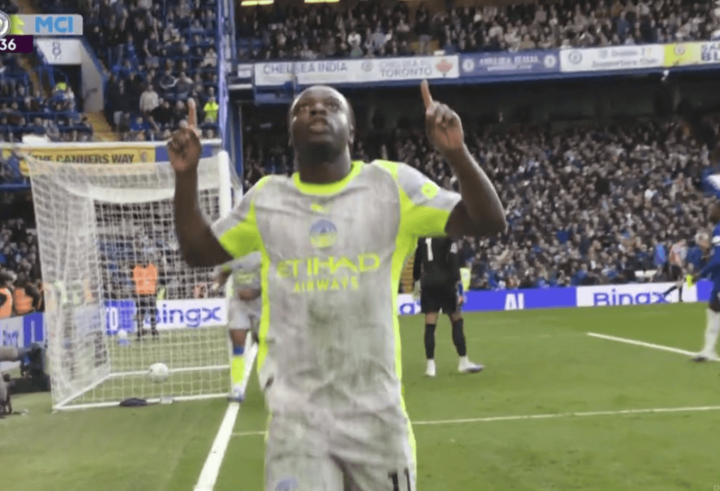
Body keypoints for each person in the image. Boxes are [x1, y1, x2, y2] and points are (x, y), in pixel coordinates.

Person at [168, 81, 505, 490]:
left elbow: (489, 221)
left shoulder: (392, 185)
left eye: (331, 105)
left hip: (377, 416)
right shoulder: (266, 198)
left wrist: (457, 153)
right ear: (290, 134)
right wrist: (186, 177)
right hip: (296, 421)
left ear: (352, 131)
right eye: (303, 108)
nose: (316, 110)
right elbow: (197, 251)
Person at [412, 237, 483, 377]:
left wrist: (417, 281)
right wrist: (459, 286)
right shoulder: (448, 237)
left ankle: (430, 367)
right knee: (456, 320)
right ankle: (463, 361)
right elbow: (453, 261)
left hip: (428, 283)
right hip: (446, 282)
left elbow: (417, 261)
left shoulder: (423, 238)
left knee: (430, 325)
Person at [214, 252, 262, 403]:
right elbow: (224, 273)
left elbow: (273, 278)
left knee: (265, 343)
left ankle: (276, 381)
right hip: (239, 304)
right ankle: (237, 387)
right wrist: (215, 286)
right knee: (237, 341)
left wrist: (255, 292)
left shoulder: (262, 253)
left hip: (262, 303)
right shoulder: (232, 253)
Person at [691, 202, 720, 362]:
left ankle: (708, 350)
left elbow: (718, 259)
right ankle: (708, 350)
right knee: (713, 311)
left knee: (713, 312)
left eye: (714, 209)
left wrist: (701, 273)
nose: (711, 212)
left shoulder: (718, 230)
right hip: (717, 279)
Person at [132, 257, 159, 340]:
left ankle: (154, 330)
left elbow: (154, 279)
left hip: (150, 293)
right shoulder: (137, 268)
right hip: (141, 294)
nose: (143, 262)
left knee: (152, 313)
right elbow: (136, 280)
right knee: (140, 313)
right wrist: (145, 276)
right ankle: (140, 331)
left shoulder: (152, 268)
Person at [663, 237, 687, 301]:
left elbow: (671, 257)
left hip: (674, 267)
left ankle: (679, 298)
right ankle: (667, 292)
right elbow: (676, 257)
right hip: (676, 267)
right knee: (680, 282)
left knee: (680, 283)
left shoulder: (674, 247)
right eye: (683, 242)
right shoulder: (677, 247)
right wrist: (679, 265)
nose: (684, 243)